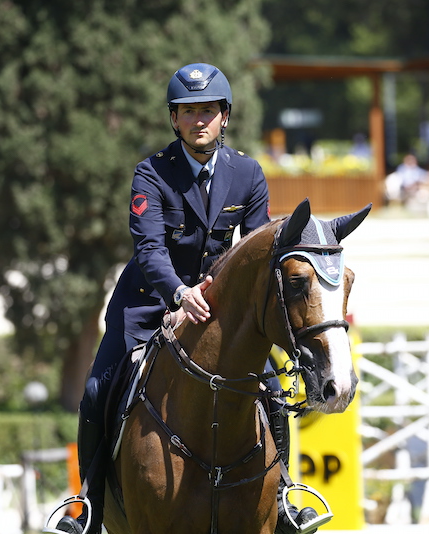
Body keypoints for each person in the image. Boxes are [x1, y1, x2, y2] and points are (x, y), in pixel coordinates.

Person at [55, 63, 328, 534]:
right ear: (174, 119)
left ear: (225, 116)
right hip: (148, 302)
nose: (198, 120)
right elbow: (149, 249)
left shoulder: (247, 173)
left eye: (207, 110)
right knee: (97, 388)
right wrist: (179, 294)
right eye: (187, 112)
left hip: (220, 310)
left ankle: (283, 494)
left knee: (272, 391)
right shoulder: (152, 174)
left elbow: (256, 248)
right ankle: (88, 507)